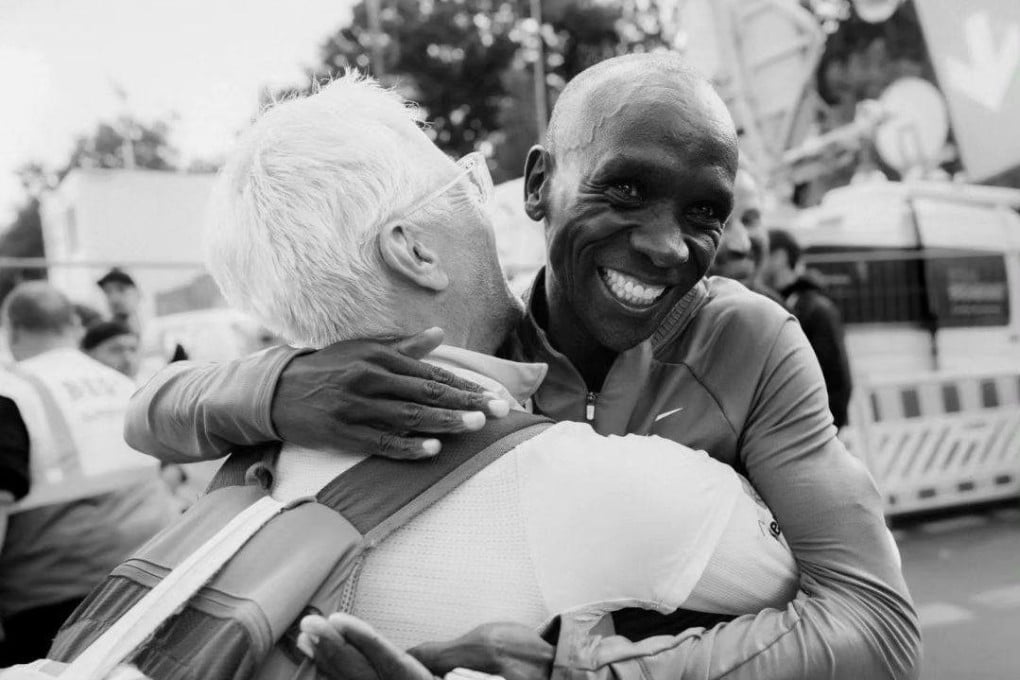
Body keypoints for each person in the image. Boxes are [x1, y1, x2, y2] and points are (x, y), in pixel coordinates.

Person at [125, 54, 919, 679]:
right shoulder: (459, 350)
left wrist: (573, 671)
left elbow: (877, 627)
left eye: (705, 211)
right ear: (539, 185)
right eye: (628, 190)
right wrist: (278, 387)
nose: (667, 244)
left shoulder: (748, 338)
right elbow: (150, 410)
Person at [0, 282, 178, 667]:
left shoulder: (11, 391)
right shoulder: (122, 384)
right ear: (76, 327)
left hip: (52, 605)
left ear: (12, 331)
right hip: (152, 580)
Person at [763, 228, 853, 429]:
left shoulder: (817, 310)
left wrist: (824, 430)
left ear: (779, 257)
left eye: (762, 253)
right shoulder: (784, 303)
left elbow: (837, 380)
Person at [707, 167, 782, 303]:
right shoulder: (659, 319)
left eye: (749, 220)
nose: (742, 245)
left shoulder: (780, 314)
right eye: (717, 221)